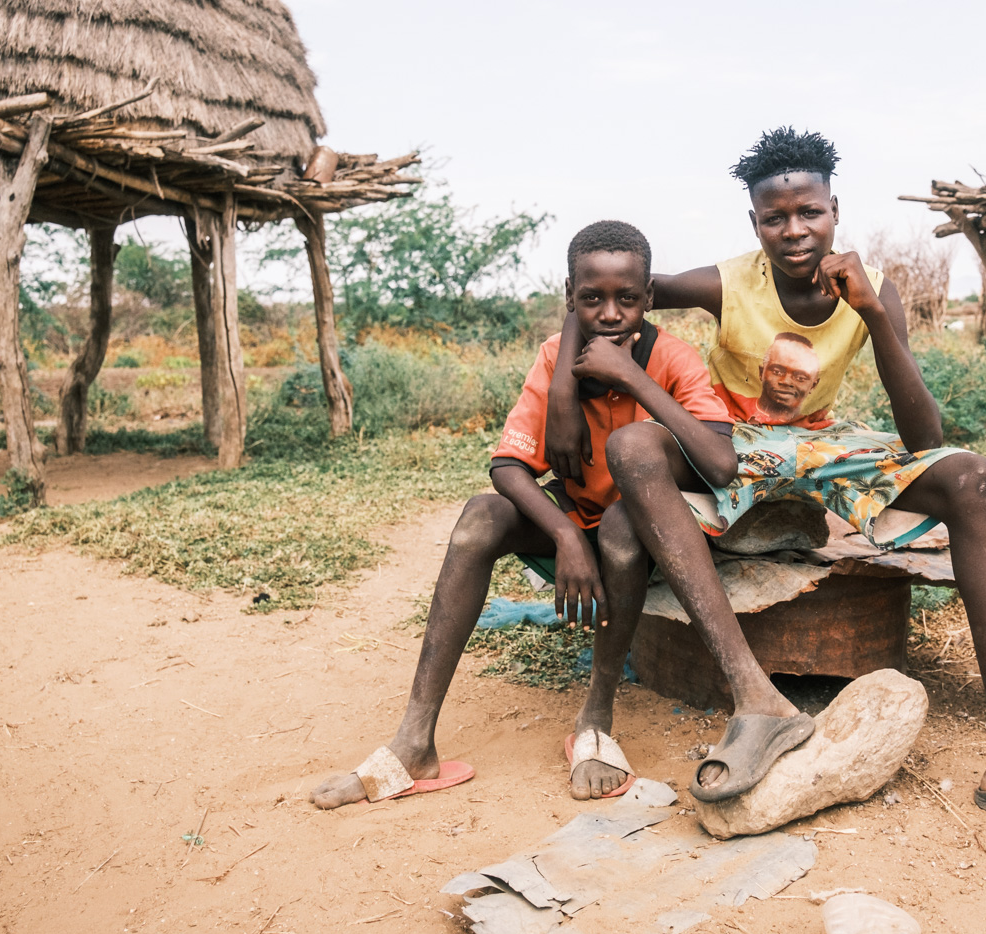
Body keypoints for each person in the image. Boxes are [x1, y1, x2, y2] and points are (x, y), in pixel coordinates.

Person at [544, 129, 986, 850]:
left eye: (810, 213)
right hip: (735, 445)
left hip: (827, 443)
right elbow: (612, 295)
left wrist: (876, 313)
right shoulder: (728, 282)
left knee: (973, 474)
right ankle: (758, 699)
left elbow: (923, 436)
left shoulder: (872, 288)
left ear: (834, 211)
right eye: (774, 218)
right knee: (636, 444)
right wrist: (565, 399)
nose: (794, 230)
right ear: (754, 224)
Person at [311, 220, 736, 808]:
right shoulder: (553, 358)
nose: (610, 313)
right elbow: (507, 467)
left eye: (627, 299)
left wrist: (629, 376)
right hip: (578, 522)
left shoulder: (672, 357)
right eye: (592, 298)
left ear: (648, 298)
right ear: (570, 297)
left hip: (647, 535)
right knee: (481, 517)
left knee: (618, 525)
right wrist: (563, 534)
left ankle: (596, 717)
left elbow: (720, 462)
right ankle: (414, 740)